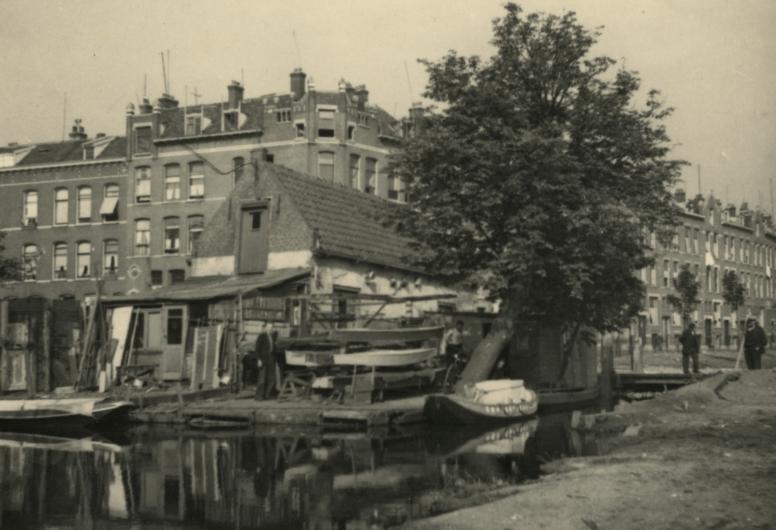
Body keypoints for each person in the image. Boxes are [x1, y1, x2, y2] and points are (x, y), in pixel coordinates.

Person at [255, 323, 276, 400]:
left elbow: (273, 348)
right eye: (269, 327)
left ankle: (267, 395)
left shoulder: (272, 336)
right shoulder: (261, 336)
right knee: (262, 378)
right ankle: (259, 396)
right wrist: (258, 359)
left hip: (271, 359)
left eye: (271, 327)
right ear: (266, 328)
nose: (270, 328)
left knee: (271, 378)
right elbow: (257, 349)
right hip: (263, 359)